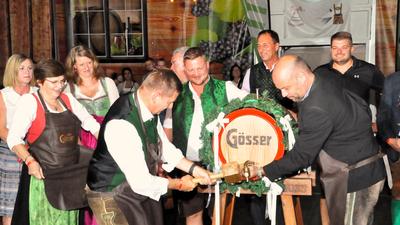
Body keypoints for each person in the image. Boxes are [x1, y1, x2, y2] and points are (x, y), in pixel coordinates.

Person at [249, 55, 386, 225]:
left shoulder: (315, 108)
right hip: (370, 165)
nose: (283, 95)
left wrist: (263, 170)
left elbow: (302, 156)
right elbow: (361, 104)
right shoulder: (323, 76)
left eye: (285, 88)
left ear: (300, 76)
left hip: (356, 179)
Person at [86, 69, 212, 225]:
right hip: (111, 192)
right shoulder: (122, 125)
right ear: (156, 96)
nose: (171, 106)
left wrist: (194, 169)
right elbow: (141, 182)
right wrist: (178, 184)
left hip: (133, 187)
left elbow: (164, 147)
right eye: (170, 101)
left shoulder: (147, 107)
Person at [7, 59, 100, 225]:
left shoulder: (68, 99)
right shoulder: (30, 102)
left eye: (62, 81)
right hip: (44, 175)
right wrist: (30, 161)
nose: (60, 86)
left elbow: (90, 123)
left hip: (71, 175)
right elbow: (13, 138)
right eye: (54, 82)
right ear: (40, 82)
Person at [172, 47, 248, 225]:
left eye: (200, 68)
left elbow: (252, 103)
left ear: (207, 65)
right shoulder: (177, 94)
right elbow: (168, 128)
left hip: (219, 163)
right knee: (193, 214)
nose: (196, 74)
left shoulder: (226, 88)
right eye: (191, 70)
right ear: (184, 69)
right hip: (187, 163)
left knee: (219, 215)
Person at [314, 31, 385, 130]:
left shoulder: (368, 70)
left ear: (352, 49)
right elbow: (310, 99)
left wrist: (381, 123)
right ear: (331, 49)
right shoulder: (320, 73)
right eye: (335, 48)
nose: (339, 52)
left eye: (344, 47)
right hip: (329, 133)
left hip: (360, 132)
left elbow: (387, 96)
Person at [0, 54, 36, 225]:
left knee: (34, 199)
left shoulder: (38, 92)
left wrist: (31, 147)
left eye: (30, 68)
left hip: (37, 149)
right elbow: (1, 129)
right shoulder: (4, 95)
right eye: (22, 68)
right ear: (12, 71)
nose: (27, 72)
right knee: (11, 203)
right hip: (10, 151)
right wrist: (20, 147)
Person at [65, 45, 119, 150]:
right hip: (83, 141)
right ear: (74, 66)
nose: (87, 67)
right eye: (81, 64)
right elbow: (67, 121)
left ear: (94, 62)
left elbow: (117, 113)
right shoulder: (69, 89)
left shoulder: (108, 83)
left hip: (109, 135)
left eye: (89, 63)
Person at [241, 29, 295, 111]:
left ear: (276, 46)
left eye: (265, 45)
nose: (261, 50)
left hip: (286, 120)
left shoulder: (289, 69)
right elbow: (244, 98)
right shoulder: (251, 72)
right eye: (258, 46)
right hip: (261, 120)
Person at [376, 71, 400, 225]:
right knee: (398, 193)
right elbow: (383, 116)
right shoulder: (393, 81)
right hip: (397, 150)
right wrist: (390, 140)